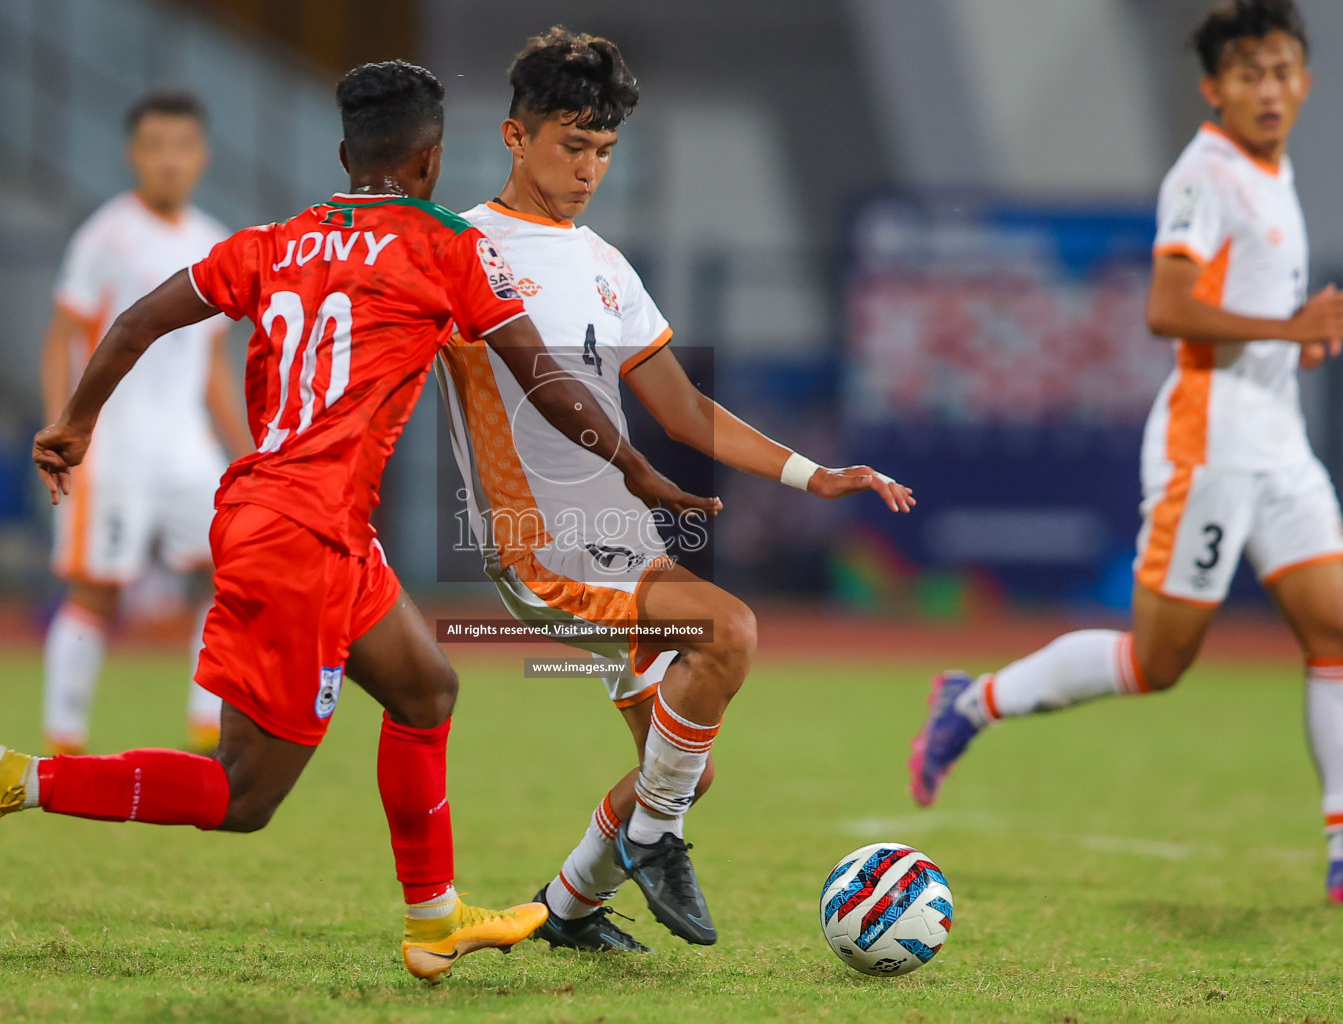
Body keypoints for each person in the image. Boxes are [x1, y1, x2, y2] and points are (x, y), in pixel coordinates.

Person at [0, 60, 714, 982]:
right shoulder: (446, 245)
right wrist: (634, 466)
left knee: (426, 692)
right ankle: (17, 778)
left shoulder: (274, 239)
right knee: (242, 794)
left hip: (310, 523)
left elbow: (140, 321)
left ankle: (433, 922)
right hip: (298, 535)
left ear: (346, 156)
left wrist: (74, 421)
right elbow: (542, 376)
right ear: (431, 160)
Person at [436, 27, 914, 951]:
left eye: (605, 151)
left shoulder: (605, 264)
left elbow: (686, 411)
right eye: (572, 146)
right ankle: (654, 841)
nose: (589, 169)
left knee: (684, 767)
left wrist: (814, 476)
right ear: (513, 135)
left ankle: (568, 908)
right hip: (541, 545)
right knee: (730, 630)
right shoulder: (463, 249)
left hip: (623, 542)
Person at [909, 0, 1343, 903]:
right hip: (1210, 439)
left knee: (1335, 631)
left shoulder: (1276, 167)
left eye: (1282, 70)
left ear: (1304, 78)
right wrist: (1286, 324)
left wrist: (1285, 341)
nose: (1269, 88)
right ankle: (971, 701)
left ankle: (1342, 846)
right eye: (1250, 73)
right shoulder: (1205, 174)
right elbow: (1168, 309)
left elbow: (1244, 309)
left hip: (1277, 434)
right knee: (1159, 662)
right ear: (1213, 87)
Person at [39, 91, 252, 756]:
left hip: (187, 446)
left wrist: (244, 448)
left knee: (236, 567)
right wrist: (63, 430)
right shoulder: (105, 236)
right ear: (133, 154)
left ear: (202, 156)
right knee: (98, 590)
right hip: (115, 448)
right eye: (154, 146)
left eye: (181, 146)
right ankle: (64, 736)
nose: (168, 161)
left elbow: (211, 361)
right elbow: (60, 340)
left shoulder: (213, 241)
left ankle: (205, 720)